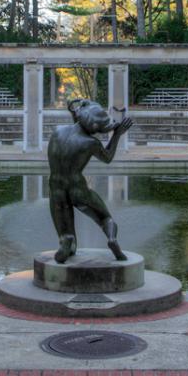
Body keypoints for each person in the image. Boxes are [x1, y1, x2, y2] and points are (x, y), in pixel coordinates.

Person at [46, 98, 133, 263]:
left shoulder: (58, 132)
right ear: (95, 128)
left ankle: (66, 243)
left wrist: (75, 113)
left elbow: (73, 135)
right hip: (77, 188)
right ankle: (112, 239)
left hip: (56, 187)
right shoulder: (91, 143)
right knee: (104, 217)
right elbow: (107, 158)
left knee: (65, 231)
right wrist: (117, 135)